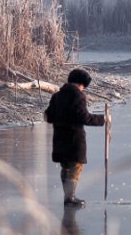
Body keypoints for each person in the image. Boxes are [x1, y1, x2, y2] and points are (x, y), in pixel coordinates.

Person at [45, 68, 106, 207]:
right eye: (84, 86)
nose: (83, 89)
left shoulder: (57, 96)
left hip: (59, 138)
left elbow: (48, 116)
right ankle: (70, 198)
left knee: (65, 167)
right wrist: (103, 119)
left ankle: (68, 197)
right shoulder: (78, 96)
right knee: (75, 167)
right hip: (73, 139)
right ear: (81, 84)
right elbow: (84, 117)